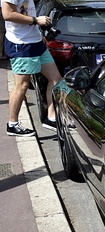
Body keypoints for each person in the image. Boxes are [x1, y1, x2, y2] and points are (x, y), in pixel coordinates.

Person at [2, 0, 61, 136]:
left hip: (35, 42)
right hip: (21, 44)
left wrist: (38, 35)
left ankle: (51, 118)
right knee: (22, 85)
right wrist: (36, 20)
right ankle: (12, 124)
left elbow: (25, 10)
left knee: (56, 80)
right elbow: (7, 14)